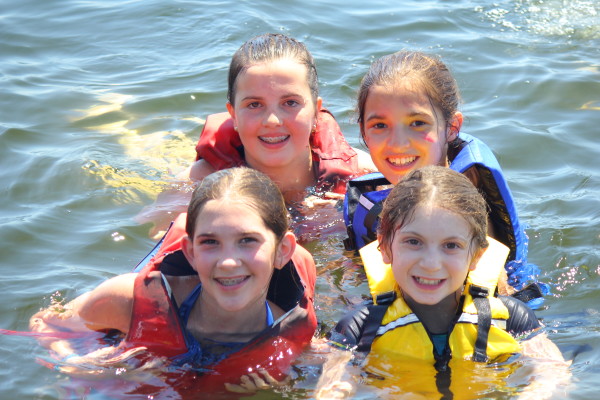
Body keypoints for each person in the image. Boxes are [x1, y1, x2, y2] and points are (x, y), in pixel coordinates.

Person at [29, 167, 318, 396]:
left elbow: (339, 369)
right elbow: (44, 324)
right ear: (190, 252)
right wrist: (83, 366)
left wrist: (279, 388)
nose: (228, 262)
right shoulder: (125, 300)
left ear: (283, 251)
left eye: (247, 241)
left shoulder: (291, 340)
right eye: (210, 242)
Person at [317, 166, 570, 399]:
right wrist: (337, 390)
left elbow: (554, 373)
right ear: (384, 246)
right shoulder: (360, 328)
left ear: (476, 255)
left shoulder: (511, 318)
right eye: (413, 242)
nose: (431, 263)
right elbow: (333, 381)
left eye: (451, 245)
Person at [343, 50, 542, 295]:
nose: (397, 143)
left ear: (451, 128)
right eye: (380, 125)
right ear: (363, 131)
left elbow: (493, 301)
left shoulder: (460, 211)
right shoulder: (389, 188)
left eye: (417, 123)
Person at [190, 33, 375, 202]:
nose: (272, 121)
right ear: (234, 116)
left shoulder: (364, 176)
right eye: (254, 104)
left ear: (315, 113)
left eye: (290, 102)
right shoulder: (197, 187)